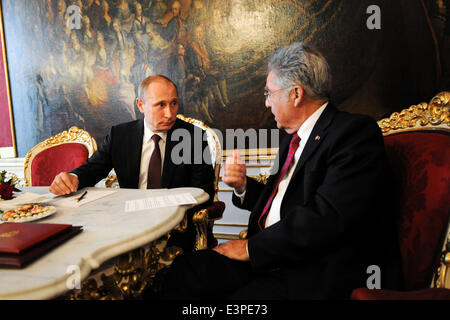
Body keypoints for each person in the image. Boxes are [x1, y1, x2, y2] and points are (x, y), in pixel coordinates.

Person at [159, 42, 401, 299]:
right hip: (270, 257)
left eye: (269, 93)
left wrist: (251, 247)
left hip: (311, 269)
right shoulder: (290, 139)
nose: (266, 103)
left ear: (295, 94)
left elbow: (326, 218)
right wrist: (243, 187)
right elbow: (285, 202)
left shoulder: (353, 134)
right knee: (184, 271)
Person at [49, 75, 215, 252]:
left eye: (173, 103)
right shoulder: (120, 135)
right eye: (160, 105)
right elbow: (92, 169)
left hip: (175, 230)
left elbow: (204, 191)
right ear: (140, 105)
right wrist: (73, 177)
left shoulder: (194, 137)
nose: (169, 113)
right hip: (127, 227)